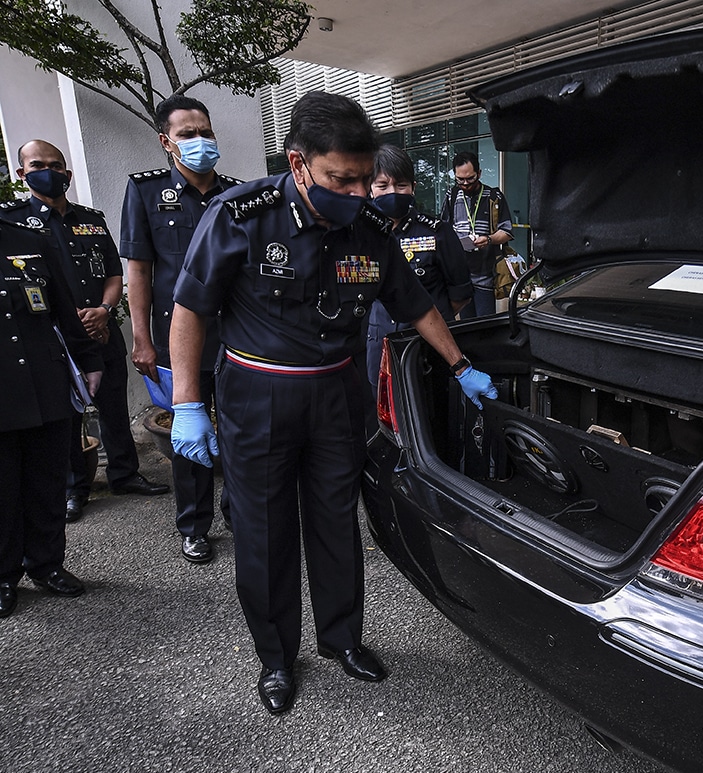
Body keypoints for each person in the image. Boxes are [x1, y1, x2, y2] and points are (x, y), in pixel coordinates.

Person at [169, 90, 497, 715]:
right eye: (339, 180)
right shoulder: (241, 216)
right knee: (264, 532)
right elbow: (191, 307)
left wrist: (461, 367)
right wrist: (187, 400)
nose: (353, 194)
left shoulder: (368, 226)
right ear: (298, 164)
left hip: (336, 394)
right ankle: (274, 657)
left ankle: (342, 638)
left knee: (335, 522)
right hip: (258, 393)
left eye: (362, 181)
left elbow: (414, 301)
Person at [0, 140, 168, 524]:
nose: (51, 171)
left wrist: (104, 310)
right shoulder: (13, 222)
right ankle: (76, 487)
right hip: (55, 337)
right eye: (39, 165)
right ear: (22, 173)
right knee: (68, 414)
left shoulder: (90, 218)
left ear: (68, 173)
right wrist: (71, 321)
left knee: (112, 404)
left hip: (100, 326)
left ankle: (125, 473)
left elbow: (113, 270)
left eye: (57, 165)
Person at [120, 95, 241, 565]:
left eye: (205, 131)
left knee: (237, 430)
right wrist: (141, 338)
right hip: (176, 339)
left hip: (234, 335)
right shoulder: (146, 192)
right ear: (166, 142)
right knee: (188, 431)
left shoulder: (238, 193)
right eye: (188, 134)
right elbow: (139, 272)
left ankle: (239, 513)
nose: (200, 141)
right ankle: (194, 525)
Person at [0, 217, 103, 616]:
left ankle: (47, 564)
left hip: (45, 383)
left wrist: (89, 360)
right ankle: (4, 575)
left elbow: (63, 307)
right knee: (4, 489)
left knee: (47, 481)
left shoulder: (28, 240)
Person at [366, 144, 471, 397]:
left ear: (413, 187)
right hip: (379, 347)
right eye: (383, 185)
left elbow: (460, 294)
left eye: (400, 185)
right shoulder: (362, 236)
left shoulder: (436, 231)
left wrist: (427, 318)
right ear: (370, 189)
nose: (392, 192)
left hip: (428, 349)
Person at [439, 151, 513, 318]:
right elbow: (443, 230)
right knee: (467, 325)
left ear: (479, 173)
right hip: (461, 274)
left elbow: (507, 231)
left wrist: (488, 239)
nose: (465, 184)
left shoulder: (494, 196)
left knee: (485, 325)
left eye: (470, 178)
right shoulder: (452, 196)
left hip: (485, 272)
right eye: (460, 180)